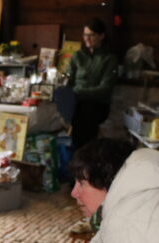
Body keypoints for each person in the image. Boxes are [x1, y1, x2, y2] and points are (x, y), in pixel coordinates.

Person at [66, 18, 118, 150]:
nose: (87, 39)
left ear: (101, 36)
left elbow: (105, 89)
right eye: (85, 35)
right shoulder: (78, 56)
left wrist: (78, 92)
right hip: (76, 103)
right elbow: (69, 79)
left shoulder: (109, 59)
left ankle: (82, 152)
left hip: (97, 104)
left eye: (91, 35)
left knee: (84, 113)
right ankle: (75, 153)